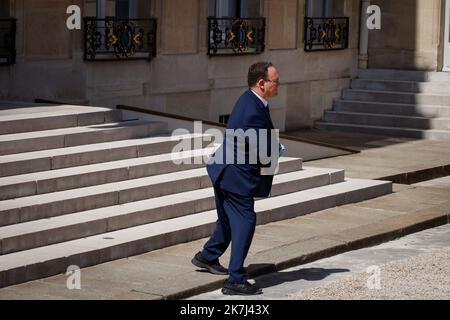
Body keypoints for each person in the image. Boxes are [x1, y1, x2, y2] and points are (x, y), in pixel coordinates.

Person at [191, 62, 283, 295]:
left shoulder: (251, 100)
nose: (279, 84)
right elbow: (261, 149)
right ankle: (235, 279)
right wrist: (277, 150)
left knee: (227, 219)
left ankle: (207, 257)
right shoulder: (253, 109)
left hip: (224, 169)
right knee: (245, 220)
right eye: (276, 81)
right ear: (261, 83)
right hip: (235, 175)